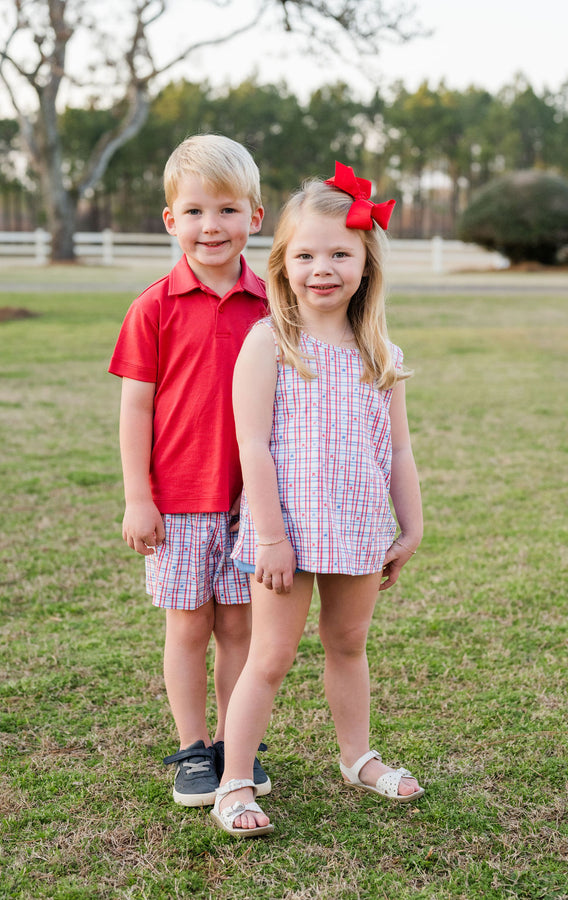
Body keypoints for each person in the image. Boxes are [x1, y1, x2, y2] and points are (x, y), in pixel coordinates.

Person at [210, 162, 424, 837]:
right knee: (270, 656)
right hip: (287, 532)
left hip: (359, 525)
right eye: (305, 254)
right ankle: (234, 783)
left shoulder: (380, 351)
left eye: (340, 253)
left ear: (365, 264)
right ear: (283, 263)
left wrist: (410, 525)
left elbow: (399, 451)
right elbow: (254, 447)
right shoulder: (270, 343)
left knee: (347, 643)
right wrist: (269, 536)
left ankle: (358, 757)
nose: (322, 267)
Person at [109, 134, 272, 808]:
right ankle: (191, 748)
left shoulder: (273, 305)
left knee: (240, 628)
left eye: (229, 210)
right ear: (172, 219)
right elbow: (136, 407)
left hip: (251, 503)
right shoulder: (154, 305)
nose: (214, 226)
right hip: (177, 502)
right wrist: (136, 497)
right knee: (187, 626)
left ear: (255, 218)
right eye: (197, 211)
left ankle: (235, 748)